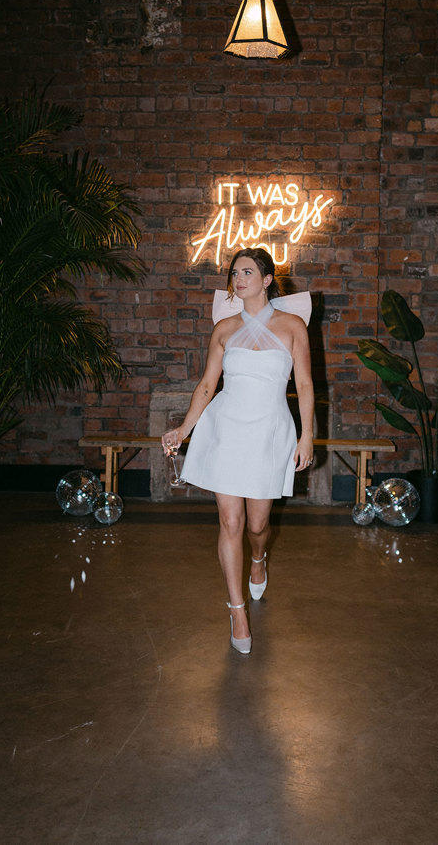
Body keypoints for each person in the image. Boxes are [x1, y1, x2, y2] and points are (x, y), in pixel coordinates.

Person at [162, 247, 314, 655]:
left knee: (257, 525)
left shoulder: (293, 326)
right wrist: (183, 429)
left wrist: (307, 436)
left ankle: (259, 558)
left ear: (266, 280)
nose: (238, 278)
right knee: (230, 521)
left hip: (270, 432)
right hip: (225, 429)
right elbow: (208, 386)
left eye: (247, 272)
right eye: (234, 273)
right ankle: (237, 611)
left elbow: (304, 386)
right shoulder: (224, 329)